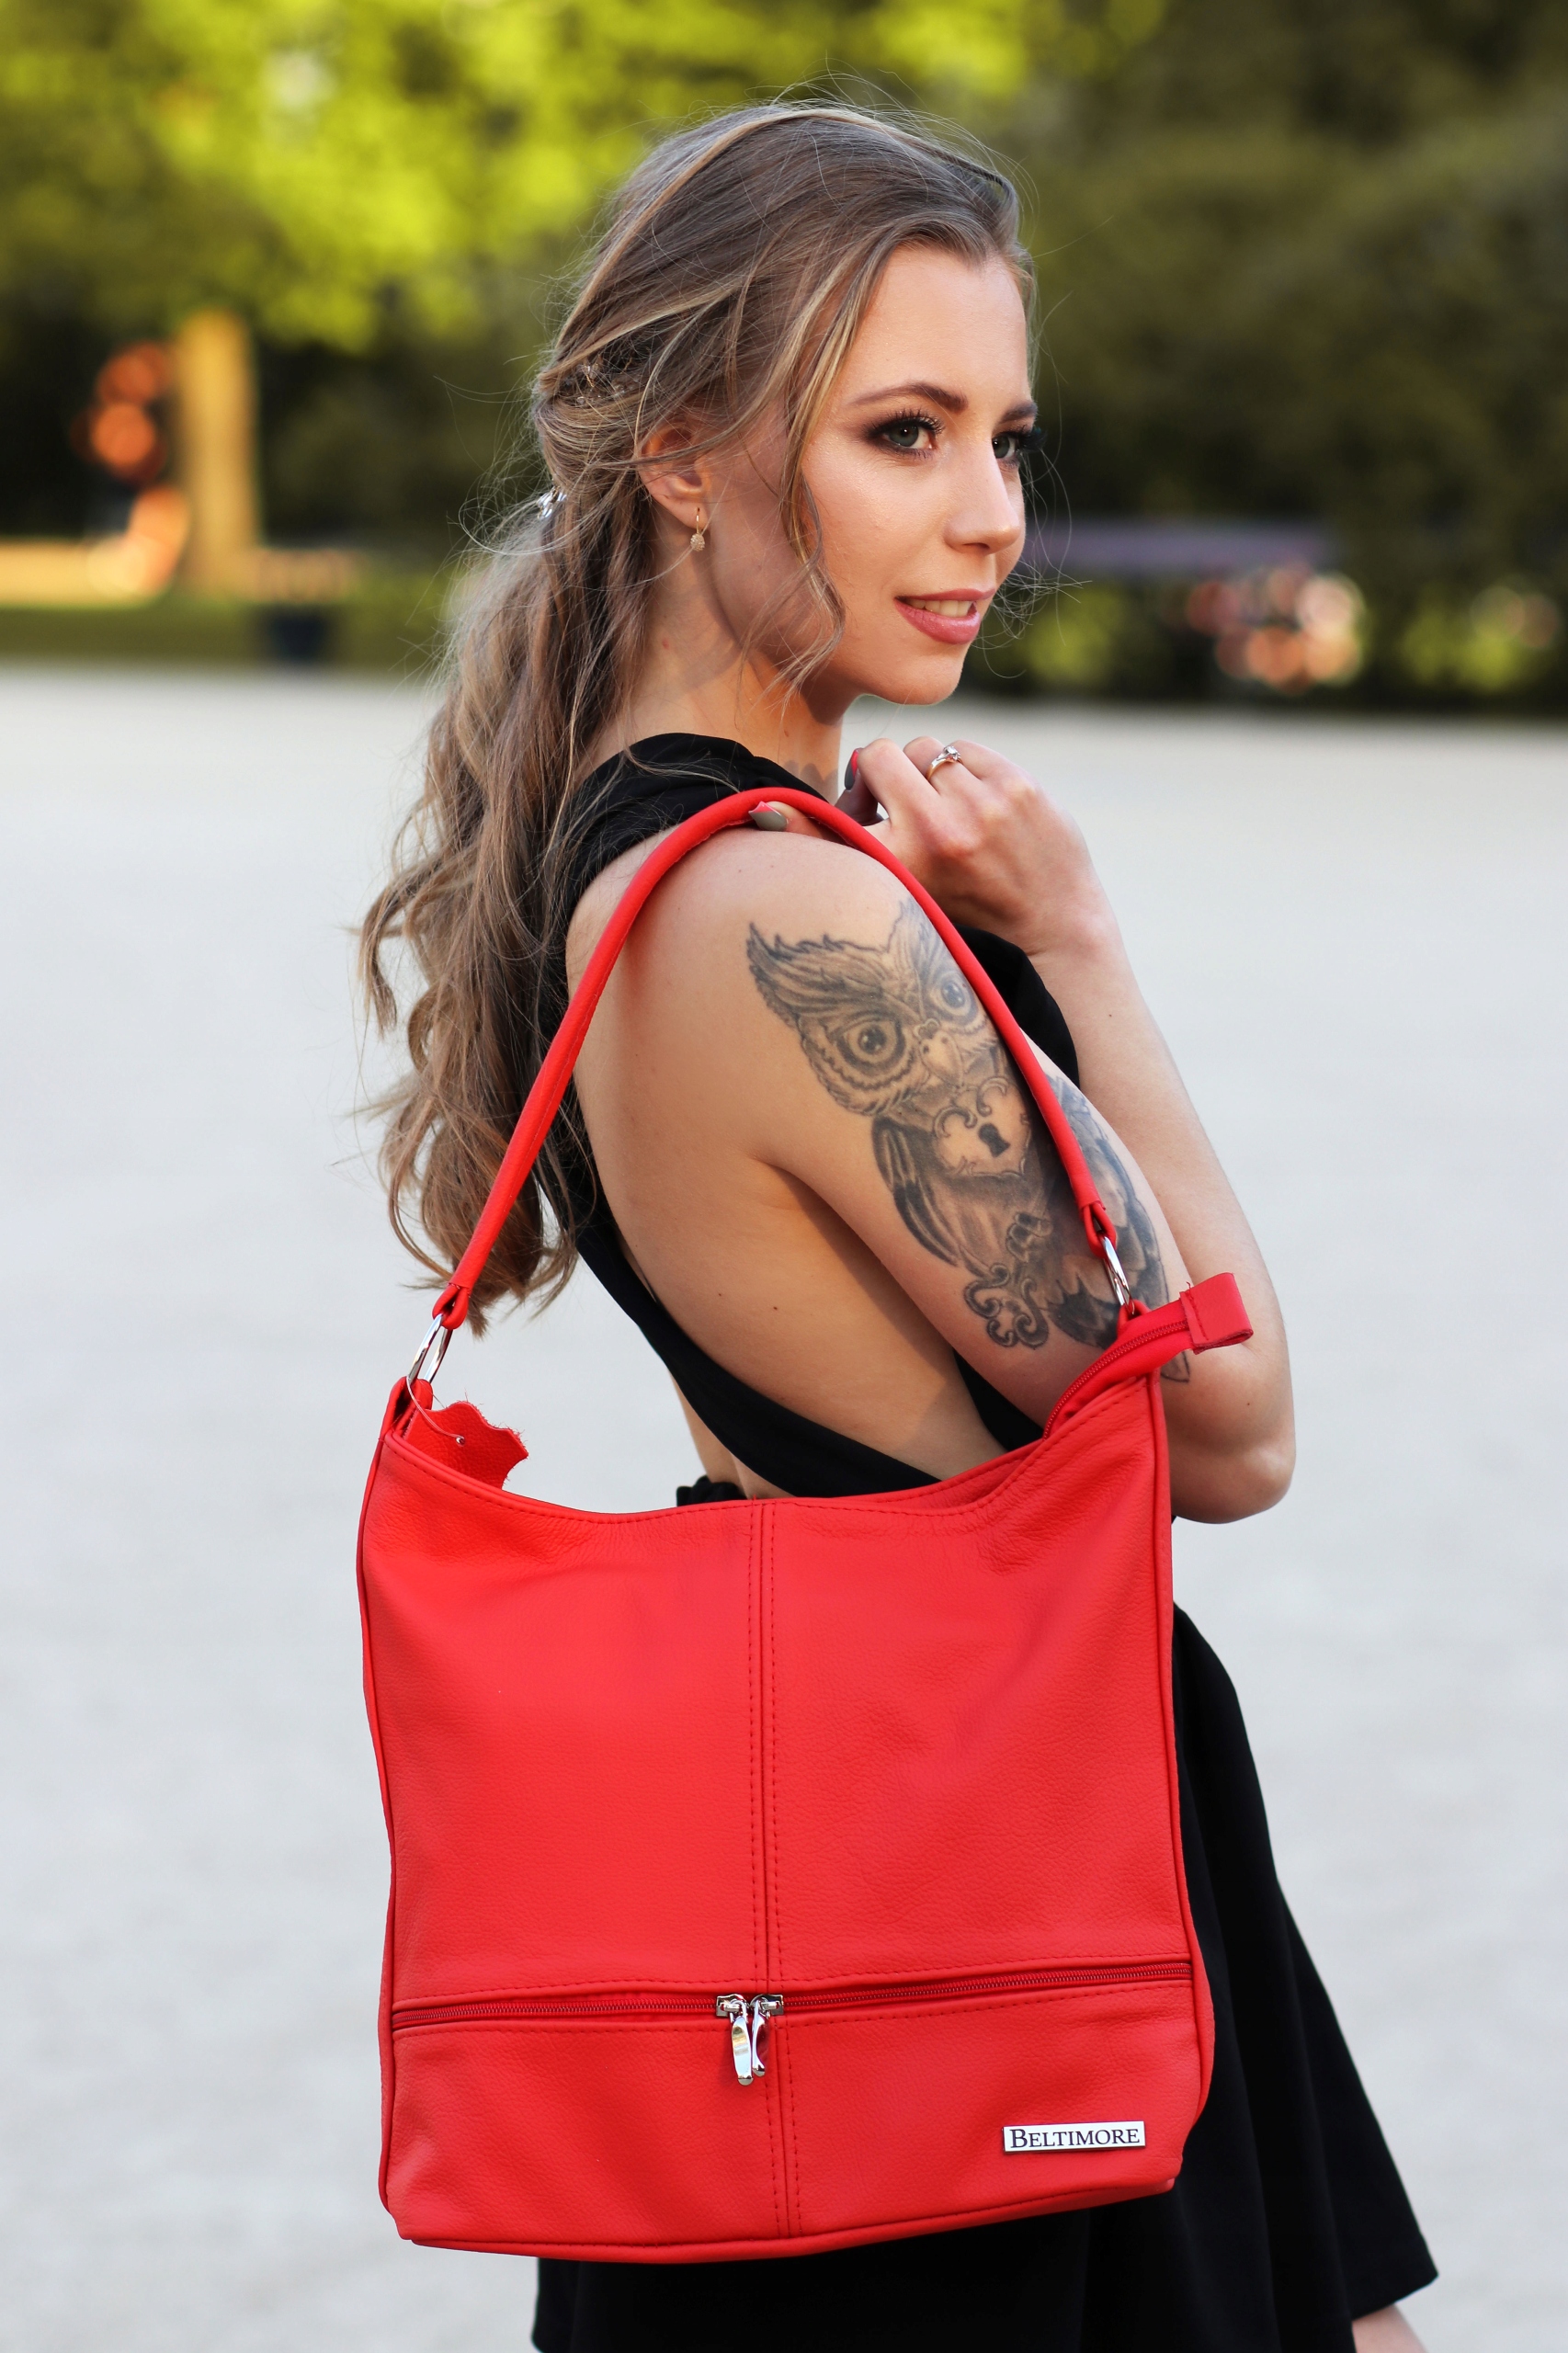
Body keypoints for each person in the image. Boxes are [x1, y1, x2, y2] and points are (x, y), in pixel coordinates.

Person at [361, 102, 1436, 2353]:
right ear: (678, 454)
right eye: (901, 433)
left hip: (889, 1860)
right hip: (973, 1878)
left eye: (1004, 438)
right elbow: (1229, 1427)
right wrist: (1081, 945)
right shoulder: (782, 917)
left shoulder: (654, 857)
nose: (988, 516)